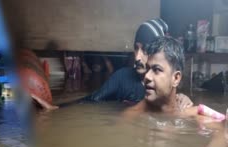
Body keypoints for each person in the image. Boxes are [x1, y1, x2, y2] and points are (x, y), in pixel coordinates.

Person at [122, 36, 227, 147]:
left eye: (156, 70)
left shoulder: (188, 111)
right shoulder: (133, 114)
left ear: (176, 78)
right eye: (148, 69)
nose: (147, 76)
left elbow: (222, 131)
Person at [65, 18, 193, 109]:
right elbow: (91, 100)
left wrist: (182, 99)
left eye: (144, 49)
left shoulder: (166, 84)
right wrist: (57, 108)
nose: (137, 56)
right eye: (136, 48)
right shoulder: (122, 77)